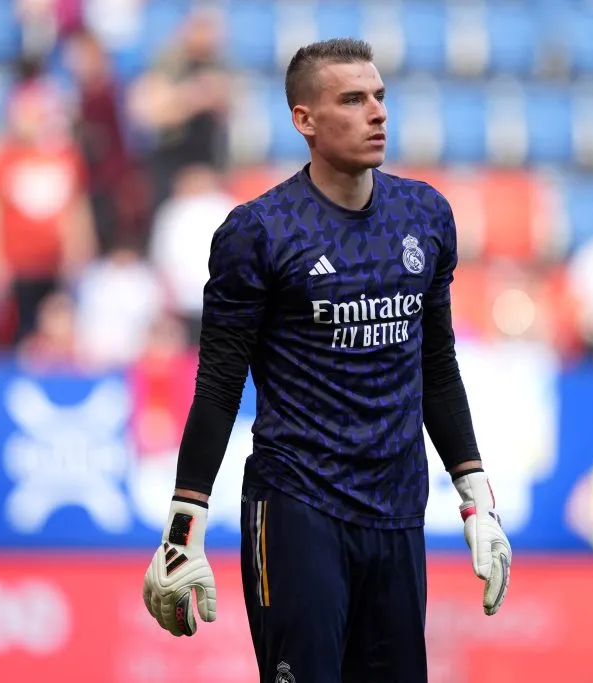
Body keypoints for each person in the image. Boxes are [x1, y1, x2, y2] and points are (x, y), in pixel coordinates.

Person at [141, 38, 512, 683]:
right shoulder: (257, 233)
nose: (376, 114)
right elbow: (218, 386)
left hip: (399, 504)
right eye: (352, 99)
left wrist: (478, 500)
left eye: (379, 98)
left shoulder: (425, 215)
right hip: (296, 504)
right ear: (304, 120)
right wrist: (182, 530)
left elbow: (438, 368)